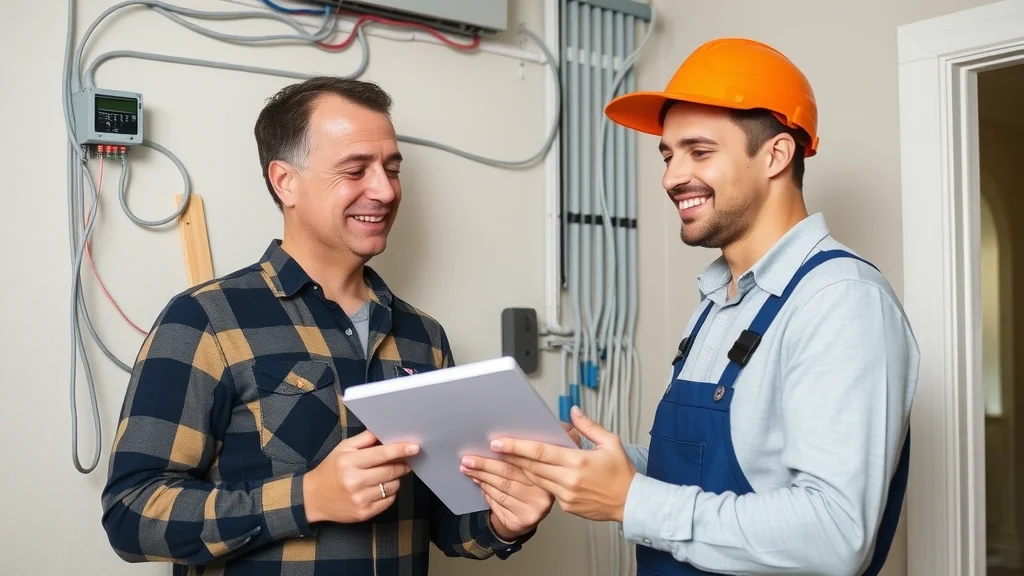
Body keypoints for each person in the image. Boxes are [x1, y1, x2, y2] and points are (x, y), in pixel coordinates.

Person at [461, 38, 919, 576]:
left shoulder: (841, 301)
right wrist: (590, 466)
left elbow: (836, 534)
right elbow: (717, 473)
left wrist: (631, 502)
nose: (672, 176)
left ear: (776, 154)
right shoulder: (720, 299)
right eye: (668, 154)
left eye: (699, 152)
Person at [101, 77, 554, 576]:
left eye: (392, 169)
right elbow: (131, 512)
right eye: (356, 169)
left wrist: (504, 522)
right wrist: (307, 498)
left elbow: (444, 522)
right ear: (284, 181)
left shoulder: (423, 337)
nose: (383, 190)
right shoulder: (205, 319)